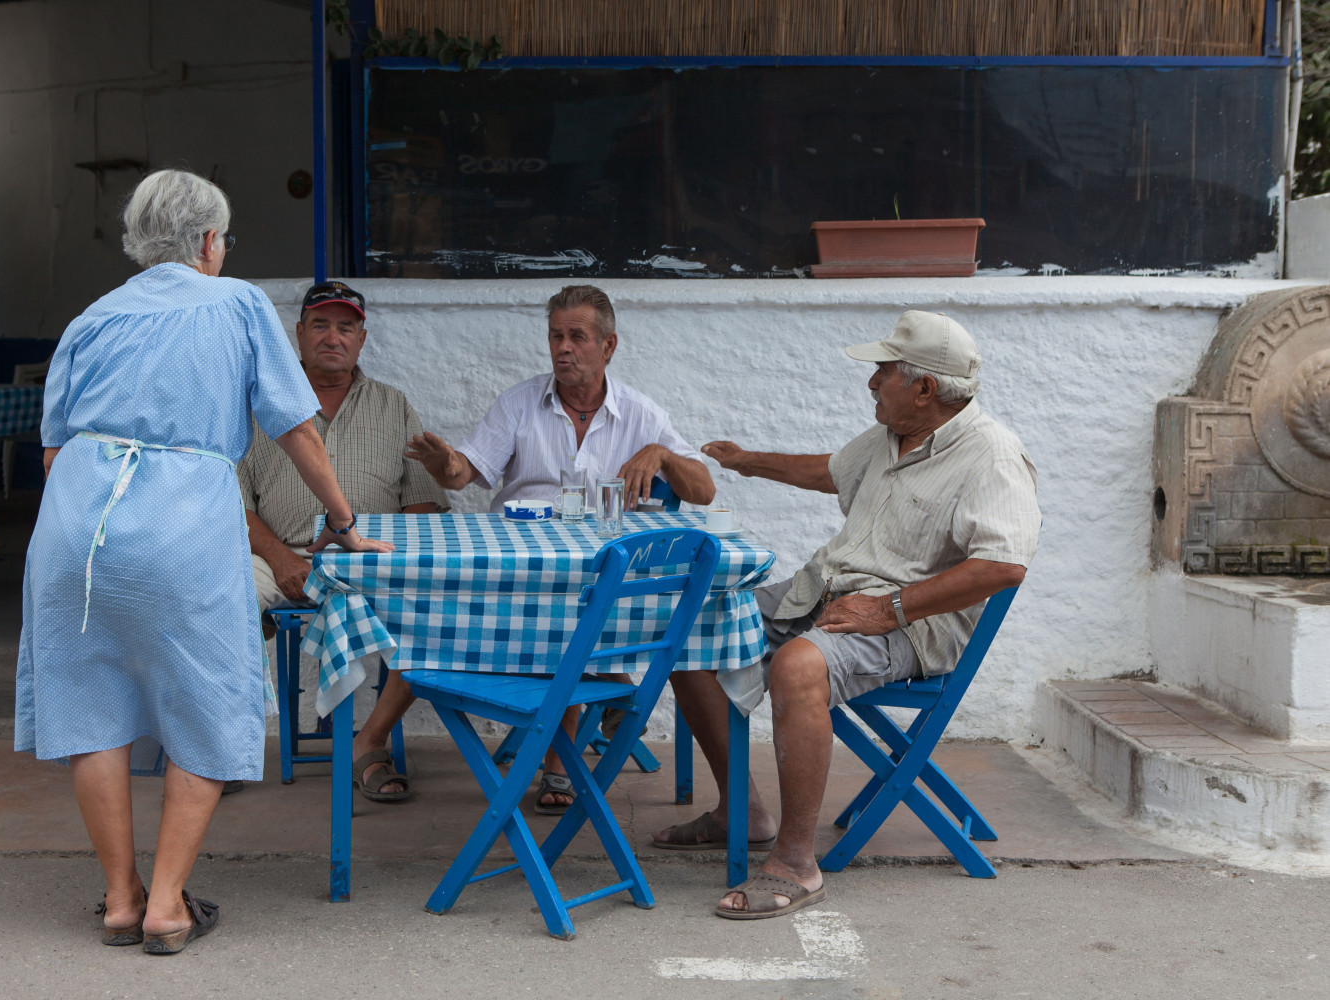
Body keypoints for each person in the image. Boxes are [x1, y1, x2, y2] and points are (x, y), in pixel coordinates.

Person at [15, 169, 392, 955]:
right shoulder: (237, 303)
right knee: (208, 695)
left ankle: (119, 899)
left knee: (91, 706)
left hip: (76, 527)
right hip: (182, 519)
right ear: (211, 243)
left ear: (138, 241)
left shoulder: (92, 317)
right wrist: (344, 519)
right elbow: (298, 430)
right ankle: (164, 905)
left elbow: (52, 453)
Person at [651, 310, 1040, 920]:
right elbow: (829, 470)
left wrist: (891, 607)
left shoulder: (991, 454)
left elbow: (1003, 565)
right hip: (825, 591)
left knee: (799, 666)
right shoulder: (891, 434)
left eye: (882, 371)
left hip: (908, 623)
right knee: (690, 630)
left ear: (924, 387)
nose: (871, 382)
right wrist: (747, 460)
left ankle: (796, 863)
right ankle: (742, 810)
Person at [405, 283, 715, 813]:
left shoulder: (641, 414)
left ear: (608, 346)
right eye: (555, 336)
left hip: (605, 586)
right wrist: (442, 463)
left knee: (581, 609)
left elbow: (704, 491)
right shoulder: (520, 403)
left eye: (577, 337)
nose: (563, 348)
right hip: (521, 578)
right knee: (425, 605)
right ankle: (604, 698)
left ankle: (561, 758)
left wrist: (661, 453)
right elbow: (462, 475)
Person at [238, 280, 447, 802]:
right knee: (221, 600)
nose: (333, 337)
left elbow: (420, 503)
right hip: (279, 555)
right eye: (321, 325)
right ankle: (224, 749)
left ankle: (369, 743)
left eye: (346, 327)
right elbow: (232, 505)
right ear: (299, 333)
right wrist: (283, 560)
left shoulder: (392, 405)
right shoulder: (259, 405)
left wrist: (398, 560)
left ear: (362, 338)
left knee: (429, 608)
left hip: (369, 557)